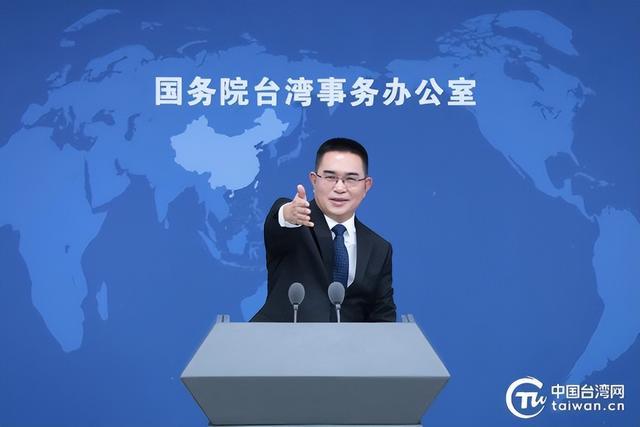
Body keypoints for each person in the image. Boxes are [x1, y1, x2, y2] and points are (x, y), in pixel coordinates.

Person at [251, 137, 396, 322]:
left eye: (351, 179)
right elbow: (279, 219)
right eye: (330, 177)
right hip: (281, 339)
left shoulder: (379, 248)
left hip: (350, 341)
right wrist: (288, 214)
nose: (340, 188)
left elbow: (383, 316)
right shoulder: (296, 224)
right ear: (314, 180)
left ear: (366, 185)